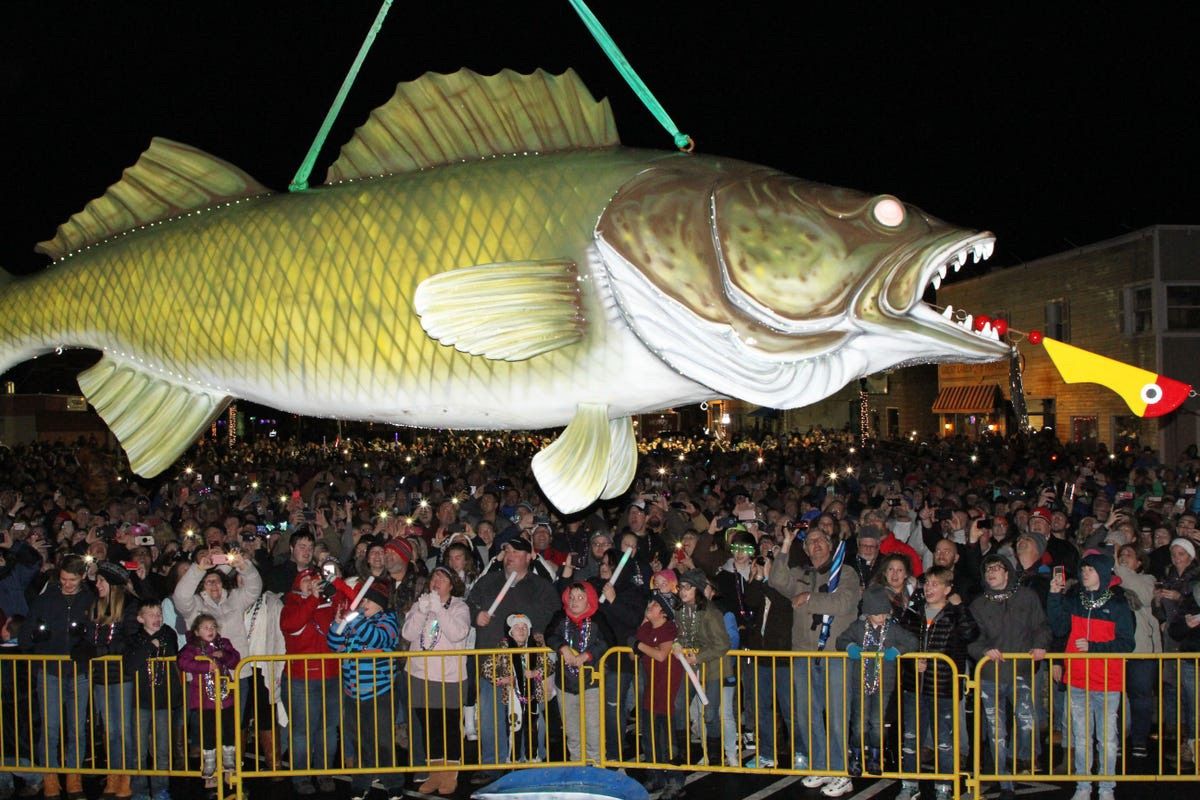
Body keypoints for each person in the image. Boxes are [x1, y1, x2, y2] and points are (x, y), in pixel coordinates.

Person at [768, 526, 862, 786]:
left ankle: (841, 771)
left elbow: (843, 603)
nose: (816, 544)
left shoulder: (846, 573)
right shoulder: (802, 574)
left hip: (835, 655)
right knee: (807, 714)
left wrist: (808, 598)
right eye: (810, 541)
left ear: (830, 545)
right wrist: (786, 545)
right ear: (806, 549)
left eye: (821, 540)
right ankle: (820, 766)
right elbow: (776, 580)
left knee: (836, 715)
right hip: (804, 654)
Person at [464, 536, 557, 781]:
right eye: (507, 550)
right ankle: (492, 763)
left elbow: (554, 615)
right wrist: (477, 615)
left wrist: (536, 633)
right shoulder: (488, 582)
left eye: (516, 551)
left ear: (529, 557)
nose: (510, 555)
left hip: (526, 662)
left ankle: (533, 760)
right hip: (491, 659)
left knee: (530, 712)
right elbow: (469, 604)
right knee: (489, 712)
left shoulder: (541, 587)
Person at [1048, 553, 1135, 800]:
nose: (1085, 573)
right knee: (1081, 736)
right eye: (1083, 569)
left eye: (1090, 569)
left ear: (1103, 573)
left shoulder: (1118, 605)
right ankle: (1083, 785)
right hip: (1077, 678)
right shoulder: (1075, 600)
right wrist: (1054, 595)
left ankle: (1107, 787)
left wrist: (1095, 647)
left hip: (1107, 680)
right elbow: (1058, 627)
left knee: (1107, 738)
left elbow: (1127, 643)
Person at [969, 553, 1052, 800]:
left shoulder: (1027, 597)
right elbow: (971, 639)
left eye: (997, 568)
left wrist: (1040, 644)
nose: (991, 573)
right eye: (988, 569)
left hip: (1021, 671)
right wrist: (983, 650)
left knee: (1027, 722)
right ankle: (1005, 780)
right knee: (996, 730)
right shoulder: (978, 605)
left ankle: (1020, 762)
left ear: (1008, 572)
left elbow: (1042, 627)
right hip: (990, 674)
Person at [896, 567, 978, 800]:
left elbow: (971, 634)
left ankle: (944, 786)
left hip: (944, 689)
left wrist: (960, 606)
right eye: (927, 583)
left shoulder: (955, 614)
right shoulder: (913, 614)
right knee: (911, 738)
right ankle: (909, 784)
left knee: (945, 741)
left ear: (948, 589)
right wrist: (911, 663)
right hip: (915, 688)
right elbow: (901, 644)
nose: (929, 588)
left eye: (935, 584)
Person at [24, 554, 96, 800]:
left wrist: (88, 647)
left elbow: (97, 632)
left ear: (82, 577)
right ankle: (50, 778)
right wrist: (36, 639)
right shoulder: (45, 600)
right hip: (50, 670)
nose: (67, 584)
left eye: (72, 580)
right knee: (51, 728)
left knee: (77, 729)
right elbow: (26, 635)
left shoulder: (90, 599)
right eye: (64, 579)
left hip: (79, 672)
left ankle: (74, 778)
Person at [326, 579, 403, 800]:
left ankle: (392, 781)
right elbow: (334, 645)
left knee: (383, 739)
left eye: (369, 600)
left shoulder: (387, 620)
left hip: (379, 690)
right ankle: (361, 781)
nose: (364, 603)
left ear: (381, 604)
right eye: (363, 599)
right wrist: (337, 625)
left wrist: (356, 619)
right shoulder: (355, 621)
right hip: (353, 690)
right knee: (358, 739)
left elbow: (377, 638)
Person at [837, 585, 918, 782]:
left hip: (884, 684)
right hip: (860, 683)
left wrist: (897, 651)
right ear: (867, 612)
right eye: (876, 614)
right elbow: (841, 640)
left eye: (884, 613)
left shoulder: (893, 629)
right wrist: (850, 647)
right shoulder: (858, 627)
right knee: (859, 724)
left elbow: (912, 641)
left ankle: (875, 757)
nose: (881, 618)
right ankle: (856, 756)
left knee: (877, 723)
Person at [401, 566, 471, 796]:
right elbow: (408, 634)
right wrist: (421, 611)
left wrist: (439, 609)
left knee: (449, 725)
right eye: (434, 577)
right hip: (420, 675)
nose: (437, 581)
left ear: (452, 585)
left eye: (443, 578)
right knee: (429, 726)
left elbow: (457, 633)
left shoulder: (460, 606)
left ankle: (450, 775)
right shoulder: (419, 605)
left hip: (449, 677)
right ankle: (435, 773)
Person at [278, 568, 341, 796]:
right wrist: (313, 598)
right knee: (302, 732)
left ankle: (324, 772)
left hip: (332, 677)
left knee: (328, 730)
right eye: (305, 580)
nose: (311, 583)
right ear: (296, 585)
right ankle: (301, 777)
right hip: (300, 681)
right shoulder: (290, 607)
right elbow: (293, 625)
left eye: (314, 579)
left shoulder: (327, 604)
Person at [82, 562, 140, 800]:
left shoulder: (129, 605)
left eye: (101, 581)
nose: (97, 585)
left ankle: (125, 777)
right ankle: (113, 775)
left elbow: (130, 639)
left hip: (122, 675)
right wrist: (84, 647)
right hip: (100, 676)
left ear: (113, 584)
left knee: (124, 730)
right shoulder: (96, 606)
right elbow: (87, 635)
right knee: (110, 730)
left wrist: (103, 650)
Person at [545, 581, 609, 765]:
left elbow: (608, 640)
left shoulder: (598, 618)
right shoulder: (560, 617)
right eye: (571, 597)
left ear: (589, 600)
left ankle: (596, 766)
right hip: (565, 682)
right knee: (572, 730)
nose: (574, 601)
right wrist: (562, 647)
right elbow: (550, 634)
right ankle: (577, 765)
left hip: (591, 682)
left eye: (580, 597)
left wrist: (587, 655)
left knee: (593, 727)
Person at [122, 599, 180, 800]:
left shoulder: (168, 634)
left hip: (163, 700)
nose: (157, 618)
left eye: (159, 614)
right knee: (138, 749)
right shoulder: (134, 638)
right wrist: (149, 646)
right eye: (151, 614)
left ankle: (161, 788)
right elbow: (130, 665)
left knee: (162, 749)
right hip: (140, 701)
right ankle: (140, 790)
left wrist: (154, 644)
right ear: (140, 618)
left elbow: (171, 651)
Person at [177, 613, 240, 790]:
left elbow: (236, 660)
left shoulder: (223, 643)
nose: (210, 630)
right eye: (205, 627)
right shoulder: (191, 647)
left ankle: (229, 765)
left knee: (228, 729)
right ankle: (209, 768)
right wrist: (206, 666)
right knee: (208, 732)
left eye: (213, 626)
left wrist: (224, 656)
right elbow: (182, 662)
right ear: (196, 631)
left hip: (225, 697)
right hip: (204, 699)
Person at [480, 614, 554, 763]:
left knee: (535, 727)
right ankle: (513, 759)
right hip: (513, 696)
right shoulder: (503, 646)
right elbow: (486, 668)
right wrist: (501, 680)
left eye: (524, 627)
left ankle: (534, 757)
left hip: (533, 695)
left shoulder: (536, 647)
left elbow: (549, 665)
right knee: (514, 727)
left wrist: (535, 673)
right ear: (510, 632)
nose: (521, 630)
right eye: (517, 627)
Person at [634, 592, 685, 799]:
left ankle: (675, 781)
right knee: (650, 737)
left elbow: (661, 655)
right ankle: (655, 776)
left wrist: (639, 646)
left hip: (668, 692)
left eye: (655, 604)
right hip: (651, 691)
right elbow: (632, 652)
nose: (650, 605)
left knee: (669, 740)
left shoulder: (669, 628)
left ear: (664, 612)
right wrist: (639, 645)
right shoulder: (646, 628)